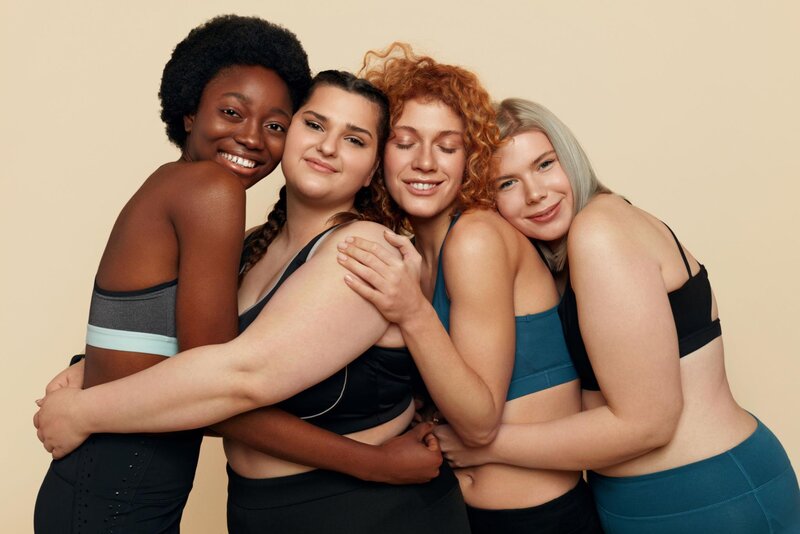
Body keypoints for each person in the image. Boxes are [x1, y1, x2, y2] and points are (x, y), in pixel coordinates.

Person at [36, 69, 470, 533]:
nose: (328, 147)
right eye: (315, 124)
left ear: (371, 171)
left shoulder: (364, 250)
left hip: (369, 513)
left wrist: (86, 410)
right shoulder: (249, 247)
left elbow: (239, 379)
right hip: (258, 510)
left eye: (354, 140)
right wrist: (96, 366)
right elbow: (190, 363)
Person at [434, 97, 800, 532]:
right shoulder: (568, 254)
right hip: (643, 503)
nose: (535, 193)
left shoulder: (600, 232)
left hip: (711, 497)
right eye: (507, 183)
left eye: (545, 164)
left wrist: (485, 447)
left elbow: (648, 424)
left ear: (571, 157)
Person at [33, 14, 311, 533]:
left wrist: (84, 373)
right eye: (232, 112)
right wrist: (376, 463)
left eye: (275, 125)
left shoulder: (171, 185)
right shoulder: (211, 191)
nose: (252, 138)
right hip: (114, 503)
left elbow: (159, 359)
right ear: (188, 113)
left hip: (97, 492)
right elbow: (216, 392)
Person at [335, 43, 603, 532]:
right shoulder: (414, 254)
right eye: (405, 142)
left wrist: (411, 312)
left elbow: (479, 424)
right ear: (378, 154)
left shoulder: (475, 238)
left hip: (538, 521)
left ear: (471, 160)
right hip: (456, 514)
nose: (425, 162)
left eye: (447, 146)